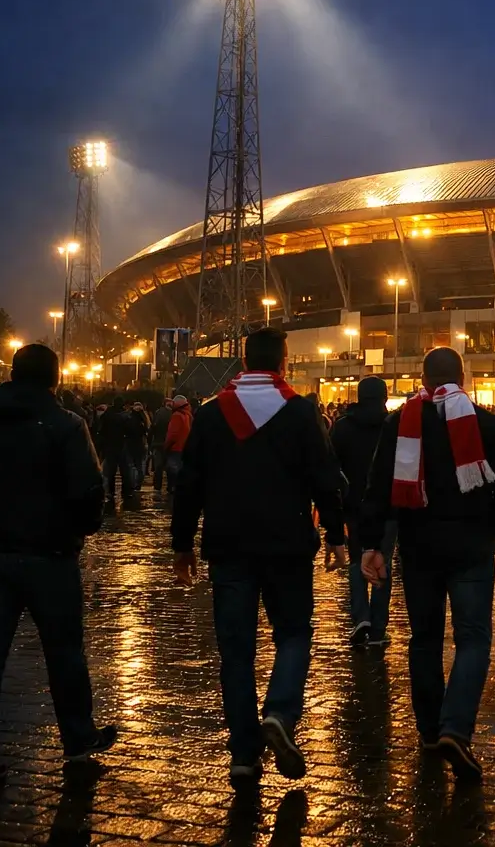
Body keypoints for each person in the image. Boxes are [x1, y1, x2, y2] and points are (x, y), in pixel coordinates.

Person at [171, 328, 348, 785]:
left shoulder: (211, 415)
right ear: (284, 363)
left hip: (229, 547)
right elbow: (324, 477)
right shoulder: (302, 412)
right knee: (293, 634)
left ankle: (244, 756)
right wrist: (335, 533)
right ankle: (280, 713)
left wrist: (182, 544)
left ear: (243, 362)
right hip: (287, 545)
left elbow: (189, 484)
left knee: (235, 653)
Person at [359, 347, 495, 782]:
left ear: (424, 379)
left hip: (418, 549)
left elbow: (377, 486)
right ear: (462, 378)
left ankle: (431, 732)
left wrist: (372, 543)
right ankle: (456, 727)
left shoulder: (401, 422)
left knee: (424, 639)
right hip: (471, 546)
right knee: (472, 638)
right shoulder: (484, 422)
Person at [0, 344, 117, 783]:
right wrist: (80, 531)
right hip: (51, 557)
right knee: (64, 654)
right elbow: (87, 490)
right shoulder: (66, 424)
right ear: (55, 379)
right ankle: (78, 739)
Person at [329, 377, 394, 647]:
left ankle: (360, 616)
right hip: (388, 504)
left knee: (357, 558)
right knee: (383, 560)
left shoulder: (343, 427)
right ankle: (378, 625)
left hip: (353, 503)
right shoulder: (393, 426)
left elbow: (332, 466)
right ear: (384, 397)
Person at [95, 396, 139, 507]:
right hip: (122, 445)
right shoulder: (125, 416)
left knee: (110, 472)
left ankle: (110, 492)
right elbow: (132, 430)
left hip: (110, 446)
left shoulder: (107, 415)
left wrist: (100, 447)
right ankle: (126, 492)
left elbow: (101, 430)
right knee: (125, 471)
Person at [164, 395, 192, 488]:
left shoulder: (176, 415)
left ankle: (172, 488)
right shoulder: (187, 415)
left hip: (175, 448)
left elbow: (172, 434)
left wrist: (167, 446)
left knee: (172, 469)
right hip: (184, 447)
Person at [148, 399, 173, 494]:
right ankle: (170, 486)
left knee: (158, 467)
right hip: (170, 444)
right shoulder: (174, 413)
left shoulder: (158, 413)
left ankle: (157, 486)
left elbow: (153, 427)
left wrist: (150, 442)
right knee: (169, 467)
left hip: (158, 443)